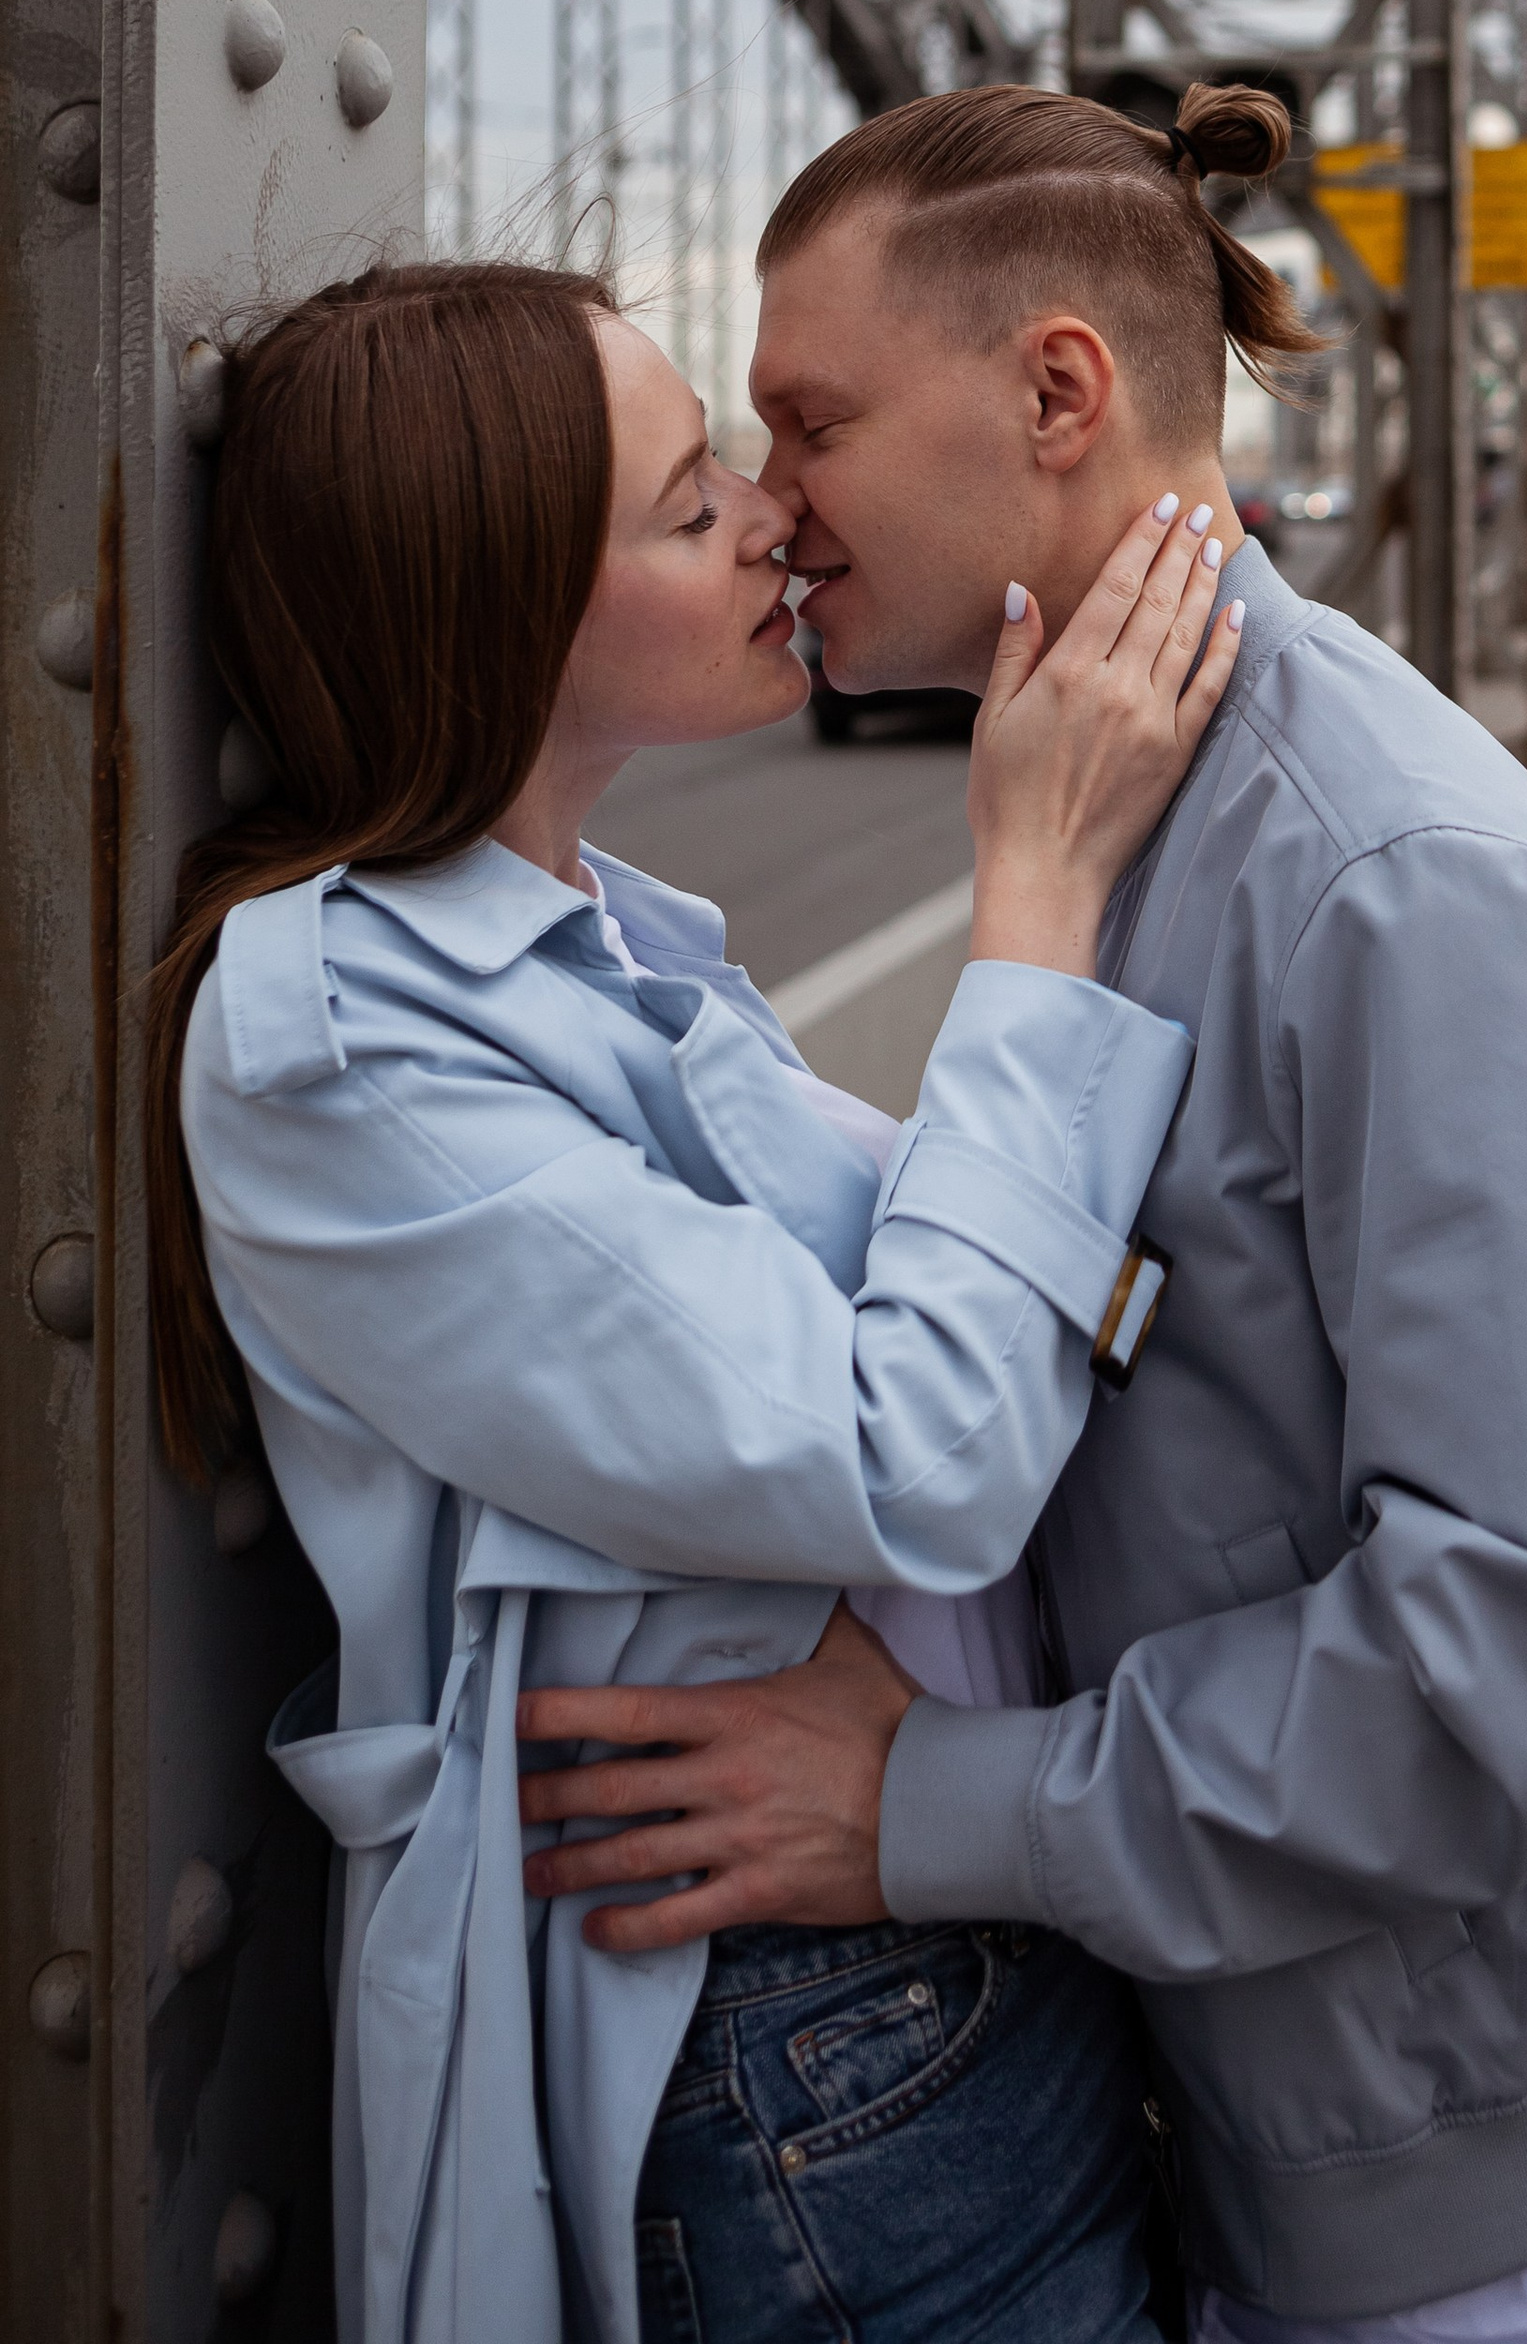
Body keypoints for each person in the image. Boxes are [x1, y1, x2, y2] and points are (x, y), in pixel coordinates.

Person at [522, 88, 1527, 2344]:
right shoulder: (1124, 796)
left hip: (1482, 2221)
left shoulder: (1402, 892)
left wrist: (930, 1807)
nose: (773, 499)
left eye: (812, 419)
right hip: (1298, 2114)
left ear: (1054, 392)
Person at [160, 256, 1245, 2344]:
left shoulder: (613, 950)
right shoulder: (339, 1057)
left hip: (916, 1944)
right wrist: (1029, 907)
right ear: (492, 617)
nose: (771, 516)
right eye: (686, 506)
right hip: (795, 2036)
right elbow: (911, 1456)